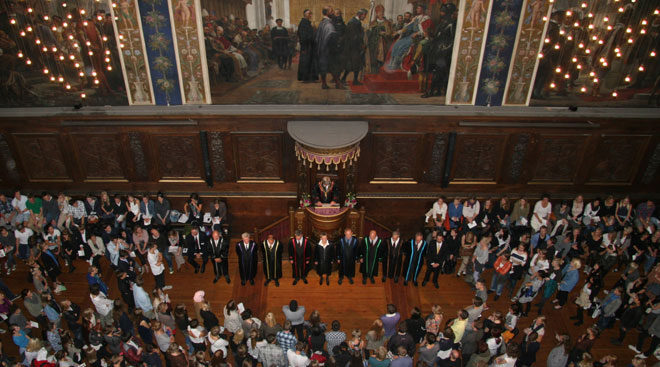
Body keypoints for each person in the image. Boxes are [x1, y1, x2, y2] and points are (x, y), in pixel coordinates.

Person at [316, 6, 344, 90]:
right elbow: (330, 37)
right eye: (331, 11)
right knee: (333, 67)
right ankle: (338, 84)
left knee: (324, 67)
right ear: (327, 13)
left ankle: (324, 84)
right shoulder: (328, 24)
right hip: (329, 50)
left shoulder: (323, 22)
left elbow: (317, 37)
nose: (333, 13)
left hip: (323, 49)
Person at [341, 9, 367, 86]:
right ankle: (348, 80)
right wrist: (361, 44)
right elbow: (353, 36)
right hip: (352, 47)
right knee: (353, 64)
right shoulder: (353, 22)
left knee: (355, 64)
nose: (365, 17)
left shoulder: (356, 22)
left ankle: (350, 79)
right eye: (364, 15)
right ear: (361, 15)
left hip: (355, 47)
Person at [297, 9, 317, 82]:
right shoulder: (303, 23)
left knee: (310, 61)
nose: (310, 15)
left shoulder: (308, 23)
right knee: (305, 62)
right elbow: (302, 36)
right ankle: (305, 78)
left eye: (310, 14)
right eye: (308, 14)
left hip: (310, 45)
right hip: (306, 46)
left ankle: (311, 78)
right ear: (304, 14)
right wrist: (312, 35)